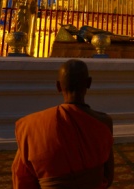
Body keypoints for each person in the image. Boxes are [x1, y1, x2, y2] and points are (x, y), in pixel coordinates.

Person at [12, 59, 114, 189]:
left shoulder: (32, 126)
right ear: (89, 83)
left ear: (58, 86)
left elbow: (22, 178)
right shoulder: (104, 122)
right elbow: (108, 176)